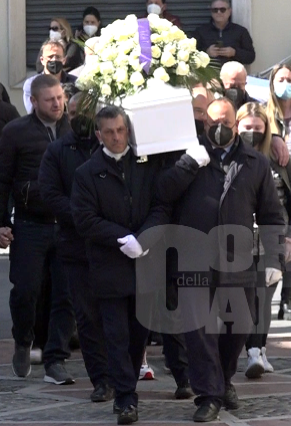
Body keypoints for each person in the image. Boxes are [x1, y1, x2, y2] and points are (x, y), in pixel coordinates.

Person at [156, 98, 288, 423]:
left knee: (238, 328)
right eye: (213, 122)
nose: (218, 128)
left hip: (237, 259)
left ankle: (223, 379)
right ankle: (209, 395)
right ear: (204, 123)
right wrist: (188, 165)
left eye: (225, 123)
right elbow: (162, 193)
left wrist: (274, 258)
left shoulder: (255, 162)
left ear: (236, 125)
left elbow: (271, 215)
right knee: (199, 332)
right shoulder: (186, 156)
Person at [68, 105, 175, 424]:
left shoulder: (147, 165)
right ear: (99, 135)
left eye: (120, 130)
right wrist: (121, 238)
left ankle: (126, 385)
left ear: (128, 130)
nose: (116, 137)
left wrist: (143, 238)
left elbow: (161, 205)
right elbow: (84, 218)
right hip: (109, 266)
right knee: (115, 335)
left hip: (145, 263)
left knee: (138, 335)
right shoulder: (87, 172)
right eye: (109, 132)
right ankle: (126, 398)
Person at [0, 74, 76, 384]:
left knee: (65, 295)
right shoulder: (16, 132)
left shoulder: (73, 129)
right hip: (30, 224)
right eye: (50, 99)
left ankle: (56, 358)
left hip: (67, 225)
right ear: (34, 101)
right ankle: (23, 341)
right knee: (26, 291)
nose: (57, 104)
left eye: (60, 97)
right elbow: (0, 181)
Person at [39, 93, 114, 402]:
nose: (78, 118)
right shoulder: (57, 151)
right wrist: (82, 215)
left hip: (109, 245)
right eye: (73, 113)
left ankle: (119, 373)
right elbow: (49, 193)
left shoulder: (110, 147)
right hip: (74, 245)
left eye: (85, 112)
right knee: (85, 316)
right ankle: (101, 380)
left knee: (114, 314)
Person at [236, 103, 291, 377]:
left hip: (273, 236)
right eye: (247, 127)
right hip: (240, 238)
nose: (252, 132)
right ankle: (253, 349)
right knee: (249, 297)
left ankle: (258, 349)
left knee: (264, 296)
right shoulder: (231, 158)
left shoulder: (278, 158)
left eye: (257, 127)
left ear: (266, 129)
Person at [192, 0, 256, 68]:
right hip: (209, 73)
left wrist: (234, 53)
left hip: (233, 73)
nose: (219, 12)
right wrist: (207, 52)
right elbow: (191, 56)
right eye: (215, 10)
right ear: (211, 12)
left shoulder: (240, 31)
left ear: (229, 11)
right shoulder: (200, 31)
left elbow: (251, 57)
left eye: (222, 9)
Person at [23, 39, 78, 114]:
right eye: (50, 57)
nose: (54, 60)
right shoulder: (32, 84)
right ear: (42, 60)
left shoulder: (75, 82)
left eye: (58, 57)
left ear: (64, 60)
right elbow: (34, 112)